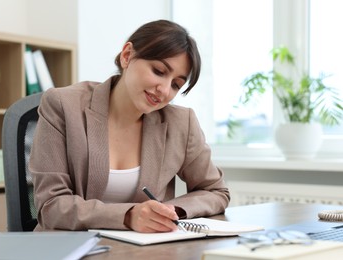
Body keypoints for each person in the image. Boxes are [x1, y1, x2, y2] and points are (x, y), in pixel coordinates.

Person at [29, 19, 230, 233]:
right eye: (159, 71)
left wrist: (169, 211)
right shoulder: (62, 105)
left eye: (175, 85)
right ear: (127, 56)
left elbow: (216, 191)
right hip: (68, 247)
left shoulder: (181, 123)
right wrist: (128, 216)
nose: (163, 90)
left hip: (142, 250)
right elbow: (50, 205)